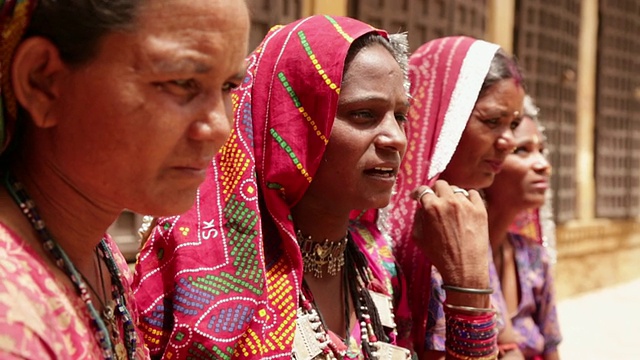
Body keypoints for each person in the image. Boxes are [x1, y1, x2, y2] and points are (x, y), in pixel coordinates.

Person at [133, 15, 415, 360]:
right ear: (295, 123)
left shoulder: (376, 265)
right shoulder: (202, 260)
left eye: (399, 116)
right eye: (363, 115)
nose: (395, 139)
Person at [0, 0, 249, 358]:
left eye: (228, 86)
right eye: (181, 82)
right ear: (43, 81)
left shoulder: (96, 253)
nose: (219, 128)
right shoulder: (13, 325)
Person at [381, 36, 526, 359]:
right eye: (492, 122)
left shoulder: (467, 214)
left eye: (514, 124)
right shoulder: (380, 236)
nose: (509, 142)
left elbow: (503, 341)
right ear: (442, 115)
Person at [484, 95, 562, 360]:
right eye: (522, 150)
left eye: (541, 150)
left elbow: (552, 349)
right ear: (488, 162)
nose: (543, 165)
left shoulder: (533, 258)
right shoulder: (451, 265)